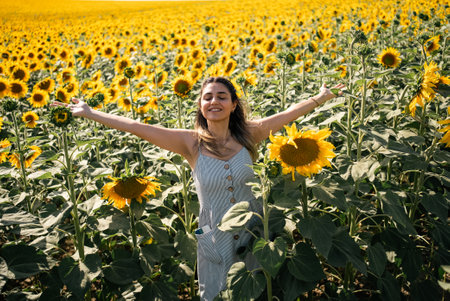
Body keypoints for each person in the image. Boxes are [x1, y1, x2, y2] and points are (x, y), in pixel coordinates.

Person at [54, 76, 344, 300]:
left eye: (221, 96)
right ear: (200, 106)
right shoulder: (190, 143)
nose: (214, 101)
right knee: (216, 292)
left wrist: (321, 97)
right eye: (207, 97)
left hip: (254, 231)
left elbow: (288, 115)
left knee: (255, 288)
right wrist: (90, 113)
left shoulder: (249, 135)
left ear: (233, 104)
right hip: (214, 235)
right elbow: (136, 126)